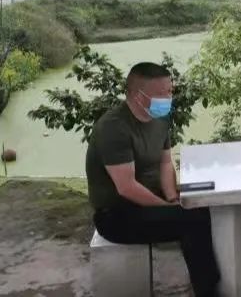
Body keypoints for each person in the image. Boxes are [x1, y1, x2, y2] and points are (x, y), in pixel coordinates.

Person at [86, 62, 220, 297]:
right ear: (139, 96)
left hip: (152, 203)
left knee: (206, 205)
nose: (168, 98)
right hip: (117, 215)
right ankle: (208, 292)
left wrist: (172, 198)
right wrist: (166, 208)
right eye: (162, 94)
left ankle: (207, 284)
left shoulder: (159, 119)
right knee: (194, 221)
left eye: (170, 91)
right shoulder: (113, 128)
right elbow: (126, 187)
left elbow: (165, 162)